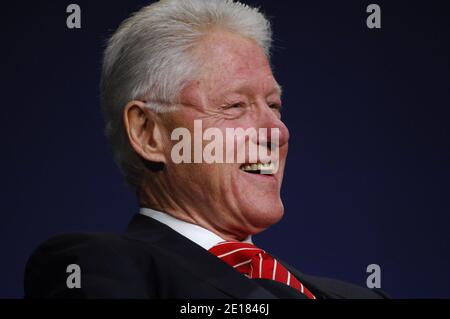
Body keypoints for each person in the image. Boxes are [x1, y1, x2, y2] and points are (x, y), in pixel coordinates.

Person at [24, 0, 388, 299]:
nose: (277, 131)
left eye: (274, 106)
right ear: (149, 133)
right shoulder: (99, 268)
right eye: (235, 106)